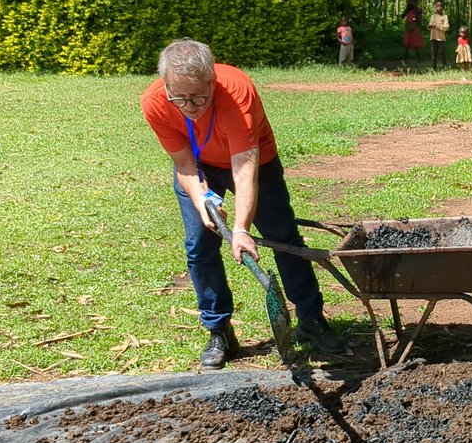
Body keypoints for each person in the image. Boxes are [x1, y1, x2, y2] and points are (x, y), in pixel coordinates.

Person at [140, 38, 346, 369]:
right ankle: (219, 331)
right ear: (166, 85)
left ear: (212, 81)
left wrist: (240, 229)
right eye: (180, 98)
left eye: (198, 97)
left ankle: (311, 319)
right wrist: (202, 200)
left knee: (283, 238)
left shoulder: (236, 94)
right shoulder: (155, 102)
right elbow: (184, 165)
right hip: (200, 166)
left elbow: (244, 168)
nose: (190, 106)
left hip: (254, 161)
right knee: (199, 245)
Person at [401, 0, 424, 64]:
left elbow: (419, 21)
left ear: (415, 2)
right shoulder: (408, 10)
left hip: (415, 30)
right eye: (410, 1)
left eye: (412, 1)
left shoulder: (418, 10)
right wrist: (406, 9)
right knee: (406, 45)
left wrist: (414, 25)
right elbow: (402, 16)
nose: (411, 2)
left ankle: (419, 60)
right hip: (408, 29)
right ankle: (404, 60)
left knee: (416, 46)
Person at [428, 0, 449, 70]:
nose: (439, 8)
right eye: (438, 6)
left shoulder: (445, 17)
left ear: (443, 7)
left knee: (442, 53)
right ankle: (434, 68)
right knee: (434, 54)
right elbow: (430, 25)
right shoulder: (433, 16)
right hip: (433, 37)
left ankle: (444, 67)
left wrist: (437, 26)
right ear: (436, 7)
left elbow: (446, 27)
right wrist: (430, 26)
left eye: (441, 6)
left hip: (441, 38)